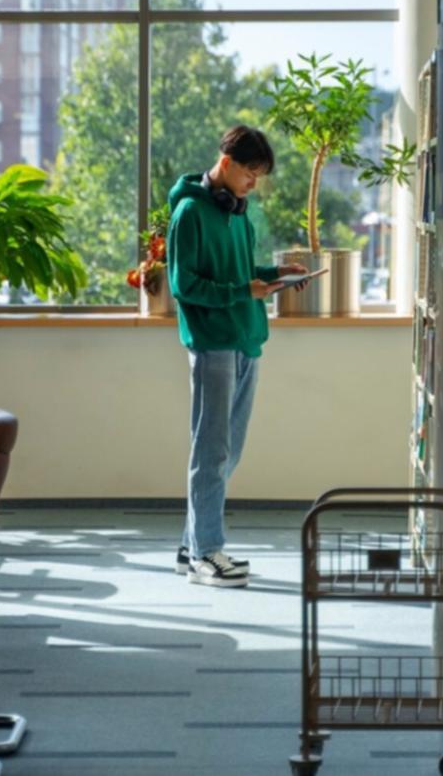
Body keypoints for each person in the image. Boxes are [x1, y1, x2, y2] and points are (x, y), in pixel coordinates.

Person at [166, 124, 313, 588]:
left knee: (229, 450)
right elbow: (182, 285)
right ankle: (207, 553)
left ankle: (192, 544)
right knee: (211, 451)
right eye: (250, 173)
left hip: (247, 337)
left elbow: (243, 273)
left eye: (259, 176)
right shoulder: (189, 212)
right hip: (213, 342)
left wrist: (276, 274)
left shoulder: (238, 214)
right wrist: (239, 290)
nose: (254, 183)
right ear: (226, 163)